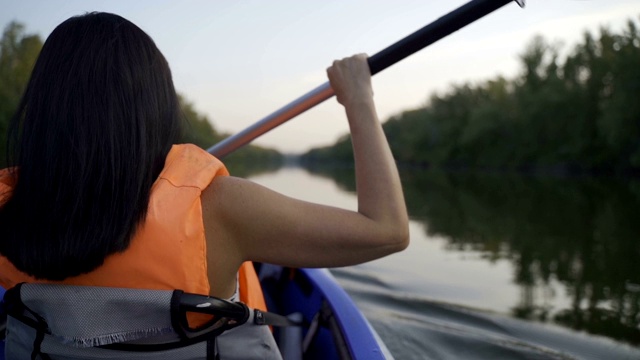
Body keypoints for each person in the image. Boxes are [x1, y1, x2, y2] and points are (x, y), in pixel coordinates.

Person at [0, 11, 409, 357]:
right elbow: (386, 230)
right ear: (155, 105)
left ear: (42, 108)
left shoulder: (7, 208)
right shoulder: (220, 208)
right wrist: (359, 100)